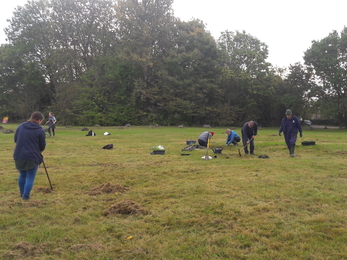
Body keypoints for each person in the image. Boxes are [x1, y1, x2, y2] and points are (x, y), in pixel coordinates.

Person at [14, 111, 46, 200]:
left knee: (22, 175)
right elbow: (42, 146)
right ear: (39, 120)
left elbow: (16, 140)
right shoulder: (40, 130)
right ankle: (25, 196)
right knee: (30, 177)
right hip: (32, 157)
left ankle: (22, 193)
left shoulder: (20, 127)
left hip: (19, 155)